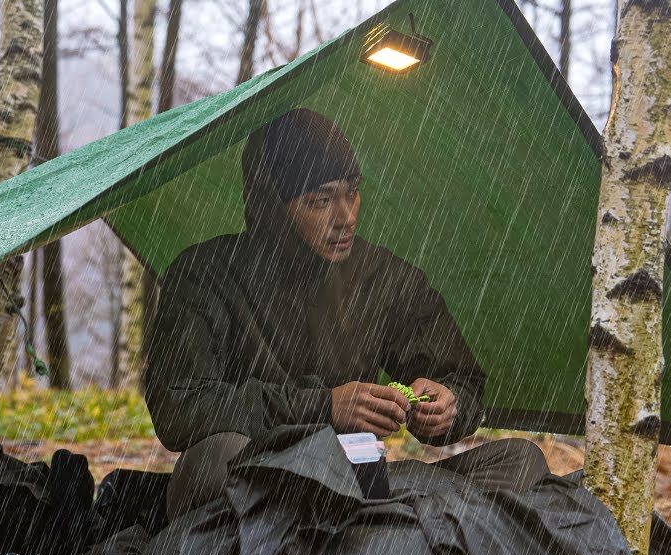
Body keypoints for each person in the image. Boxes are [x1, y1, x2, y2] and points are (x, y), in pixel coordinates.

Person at [146, 108, 548, 517]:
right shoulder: (205, 272)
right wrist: (324, 407)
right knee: (212, 459)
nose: (347, 218)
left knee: (519, 462)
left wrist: (450, 405)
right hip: (261, 489)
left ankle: (367, 547)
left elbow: (462, 380)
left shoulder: (382, 277)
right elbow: (178, 405)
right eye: (321, 200)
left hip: (358, 489)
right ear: (274, 208)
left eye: (352, 192)